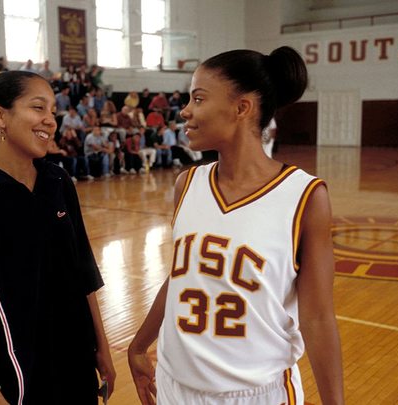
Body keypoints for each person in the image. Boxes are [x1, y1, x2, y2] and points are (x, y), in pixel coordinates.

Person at [128, 47, 344, 405]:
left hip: (258, 393)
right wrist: (139, 344)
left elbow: (318, 318)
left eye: (198, 98)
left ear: (242, 108)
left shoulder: (305, 196)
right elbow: (184, 278)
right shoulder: (188, 183)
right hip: (173, 385)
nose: (185, 110)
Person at [0, 70, 115, 404]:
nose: (50, 121)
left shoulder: (57, 181)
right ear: (0, 115)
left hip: (74, 361)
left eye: (52, 112)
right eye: (38, 108)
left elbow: (83, 272)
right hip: (14, 374)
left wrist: (101, 348)